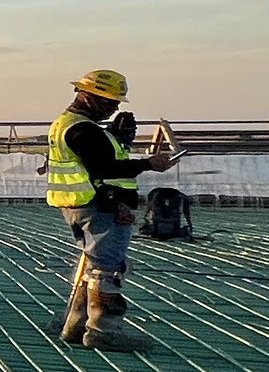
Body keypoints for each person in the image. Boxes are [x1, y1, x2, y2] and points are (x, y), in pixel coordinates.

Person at [46, 69, 174, 350]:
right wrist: (148, 164)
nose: (115, 106)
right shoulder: (84, 130)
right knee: (108, 270)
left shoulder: (68, 124)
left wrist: (116, 139)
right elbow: (102, 168)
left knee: (93, 267)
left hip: (80, 204)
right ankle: (103, 331)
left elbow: (93, 162)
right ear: (90, 97)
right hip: (101, 205)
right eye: (109, 100)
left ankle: (76, 326)